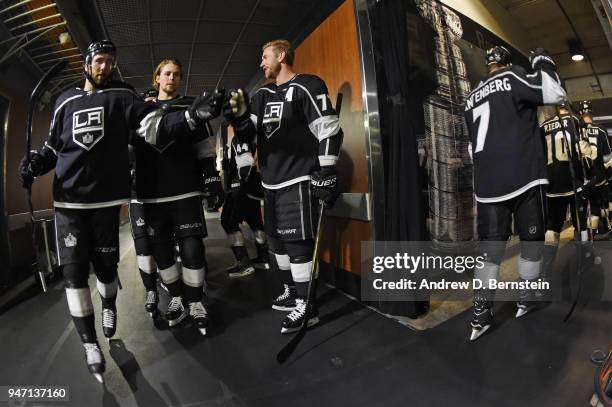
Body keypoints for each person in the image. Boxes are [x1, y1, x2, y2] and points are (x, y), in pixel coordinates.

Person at [17, 40, 223, 382]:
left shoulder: (124, 97)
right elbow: (52, 148)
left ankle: (111, 306)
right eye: (99, 61)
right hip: (68, 202)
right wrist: (35, 164)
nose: (105, 67)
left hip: (104, 205)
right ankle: (89, 344)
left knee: (107, 271)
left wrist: (189, 116)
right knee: (73, 274)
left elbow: (155, 129)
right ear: (86, 63)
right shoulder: (64, 101)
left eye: (110, 62)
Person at [224, 39, 343, 333]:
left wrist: (326, 168)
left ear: (281, 55)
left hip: (299, 179)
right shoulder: (261, 95)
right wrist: (239, 121)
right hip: (270, 183)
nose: (261, 63)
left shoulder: (308, 85)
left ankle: (307, 307)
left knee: (298, 246)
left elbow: (328, 127)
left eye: (265, 57)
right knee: (277, 244)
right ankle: (292, 291)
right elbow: (248, 135)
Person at [463, 45, 566, 341]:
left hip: (488, 184)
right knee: (531, 240)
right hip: (524, 176)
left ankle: (481, 311)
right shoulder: (513, 76)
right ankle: (526, 294)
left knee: (490, 250)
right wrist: (543, 61)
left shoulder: (471, 97)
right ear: (505, 62)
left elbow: (472, 148)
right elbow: (554, 93)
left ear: (488, 64)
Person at [131, 58, 224, 334]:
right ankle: (176, 298)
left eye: (176, 75)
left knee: (193, 250)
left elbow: (203, 148)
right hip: (152, 196)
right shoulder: (140, 111)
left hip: (185, 190)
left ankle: (195, 302)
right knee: (162, 254)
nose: (171, 78)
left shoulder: (192, 106)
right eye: (167, 73)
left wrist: (212, 178)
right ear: (157, 78)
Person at [540, 102, 593, 290]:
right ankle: (584, 260)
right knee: (581, 224)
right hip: (573, 182)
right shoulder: (575, 121)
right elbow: (584, 149)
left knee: (552, 227)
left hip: (552, 184)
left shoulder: (543, 126)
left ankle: (546, 270)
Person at [220, 135, 270, 278]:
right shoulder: (254, 133)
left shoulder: (240, 136)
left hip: (241, 187)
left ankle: (244, 263)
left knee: (228, 222)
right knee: (255, 223)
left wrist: (238, 187)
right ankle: (263, 258)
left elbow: (246, 163)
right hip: (254, 188)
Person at [580, 100, 612, 239]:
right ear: (591, 113)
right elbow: (607, 158)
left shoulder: (576, 131)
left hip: (583, 179)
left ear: (581, 114)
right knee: (601, 206)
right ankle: (605, 227)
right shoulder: (600, 130)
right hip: (599, 177)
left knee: (587, 211)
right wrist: (608, 175)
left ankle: (588, 238)